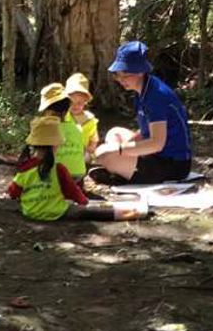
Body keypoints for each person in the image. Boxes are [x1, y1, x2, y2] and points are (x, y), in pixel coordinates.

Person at [91, 41, 193, 184]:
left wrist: (120, 150)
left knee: (104, 154)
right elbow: (146, 130)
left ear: (140, 72)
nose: (120, 80)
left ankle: (121, 172)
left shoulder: (156, 96)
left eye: (125, 75)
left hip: (172, 165)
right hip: (156, 153)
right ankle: (121, 169)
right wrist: (126, 145)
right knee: (115, 133)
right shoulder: (143, 90)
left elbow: (157, 144)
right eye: (117, 75)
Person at [9, 116, 144, 222]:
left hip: (30, 213)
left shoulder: (24, 169)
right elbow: (72, 191)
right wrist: (83, 202)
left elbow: (13, 191)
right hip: (58, 212)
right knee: (90, 212)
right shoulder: (58, 169)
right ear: (56, 146)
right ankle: (137, 212)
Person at [38, 82, 87, 180]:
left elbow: (42, 154)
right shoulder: (77, 128)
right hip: (79, 174)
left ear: (48, 111)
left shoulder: (47, 128)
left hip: (58, 175)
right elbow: (82, 151)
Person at [66, 73, 100, 160]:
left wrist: (91, 147)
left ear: (85, 101)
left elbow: (94, 138)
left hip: (83, 151)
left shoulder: (90, 120)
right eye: (71, 102)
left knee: (86, 156)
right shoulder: (64, 117)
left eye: (79, 103)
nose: (75, 106)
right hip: (66, 149)